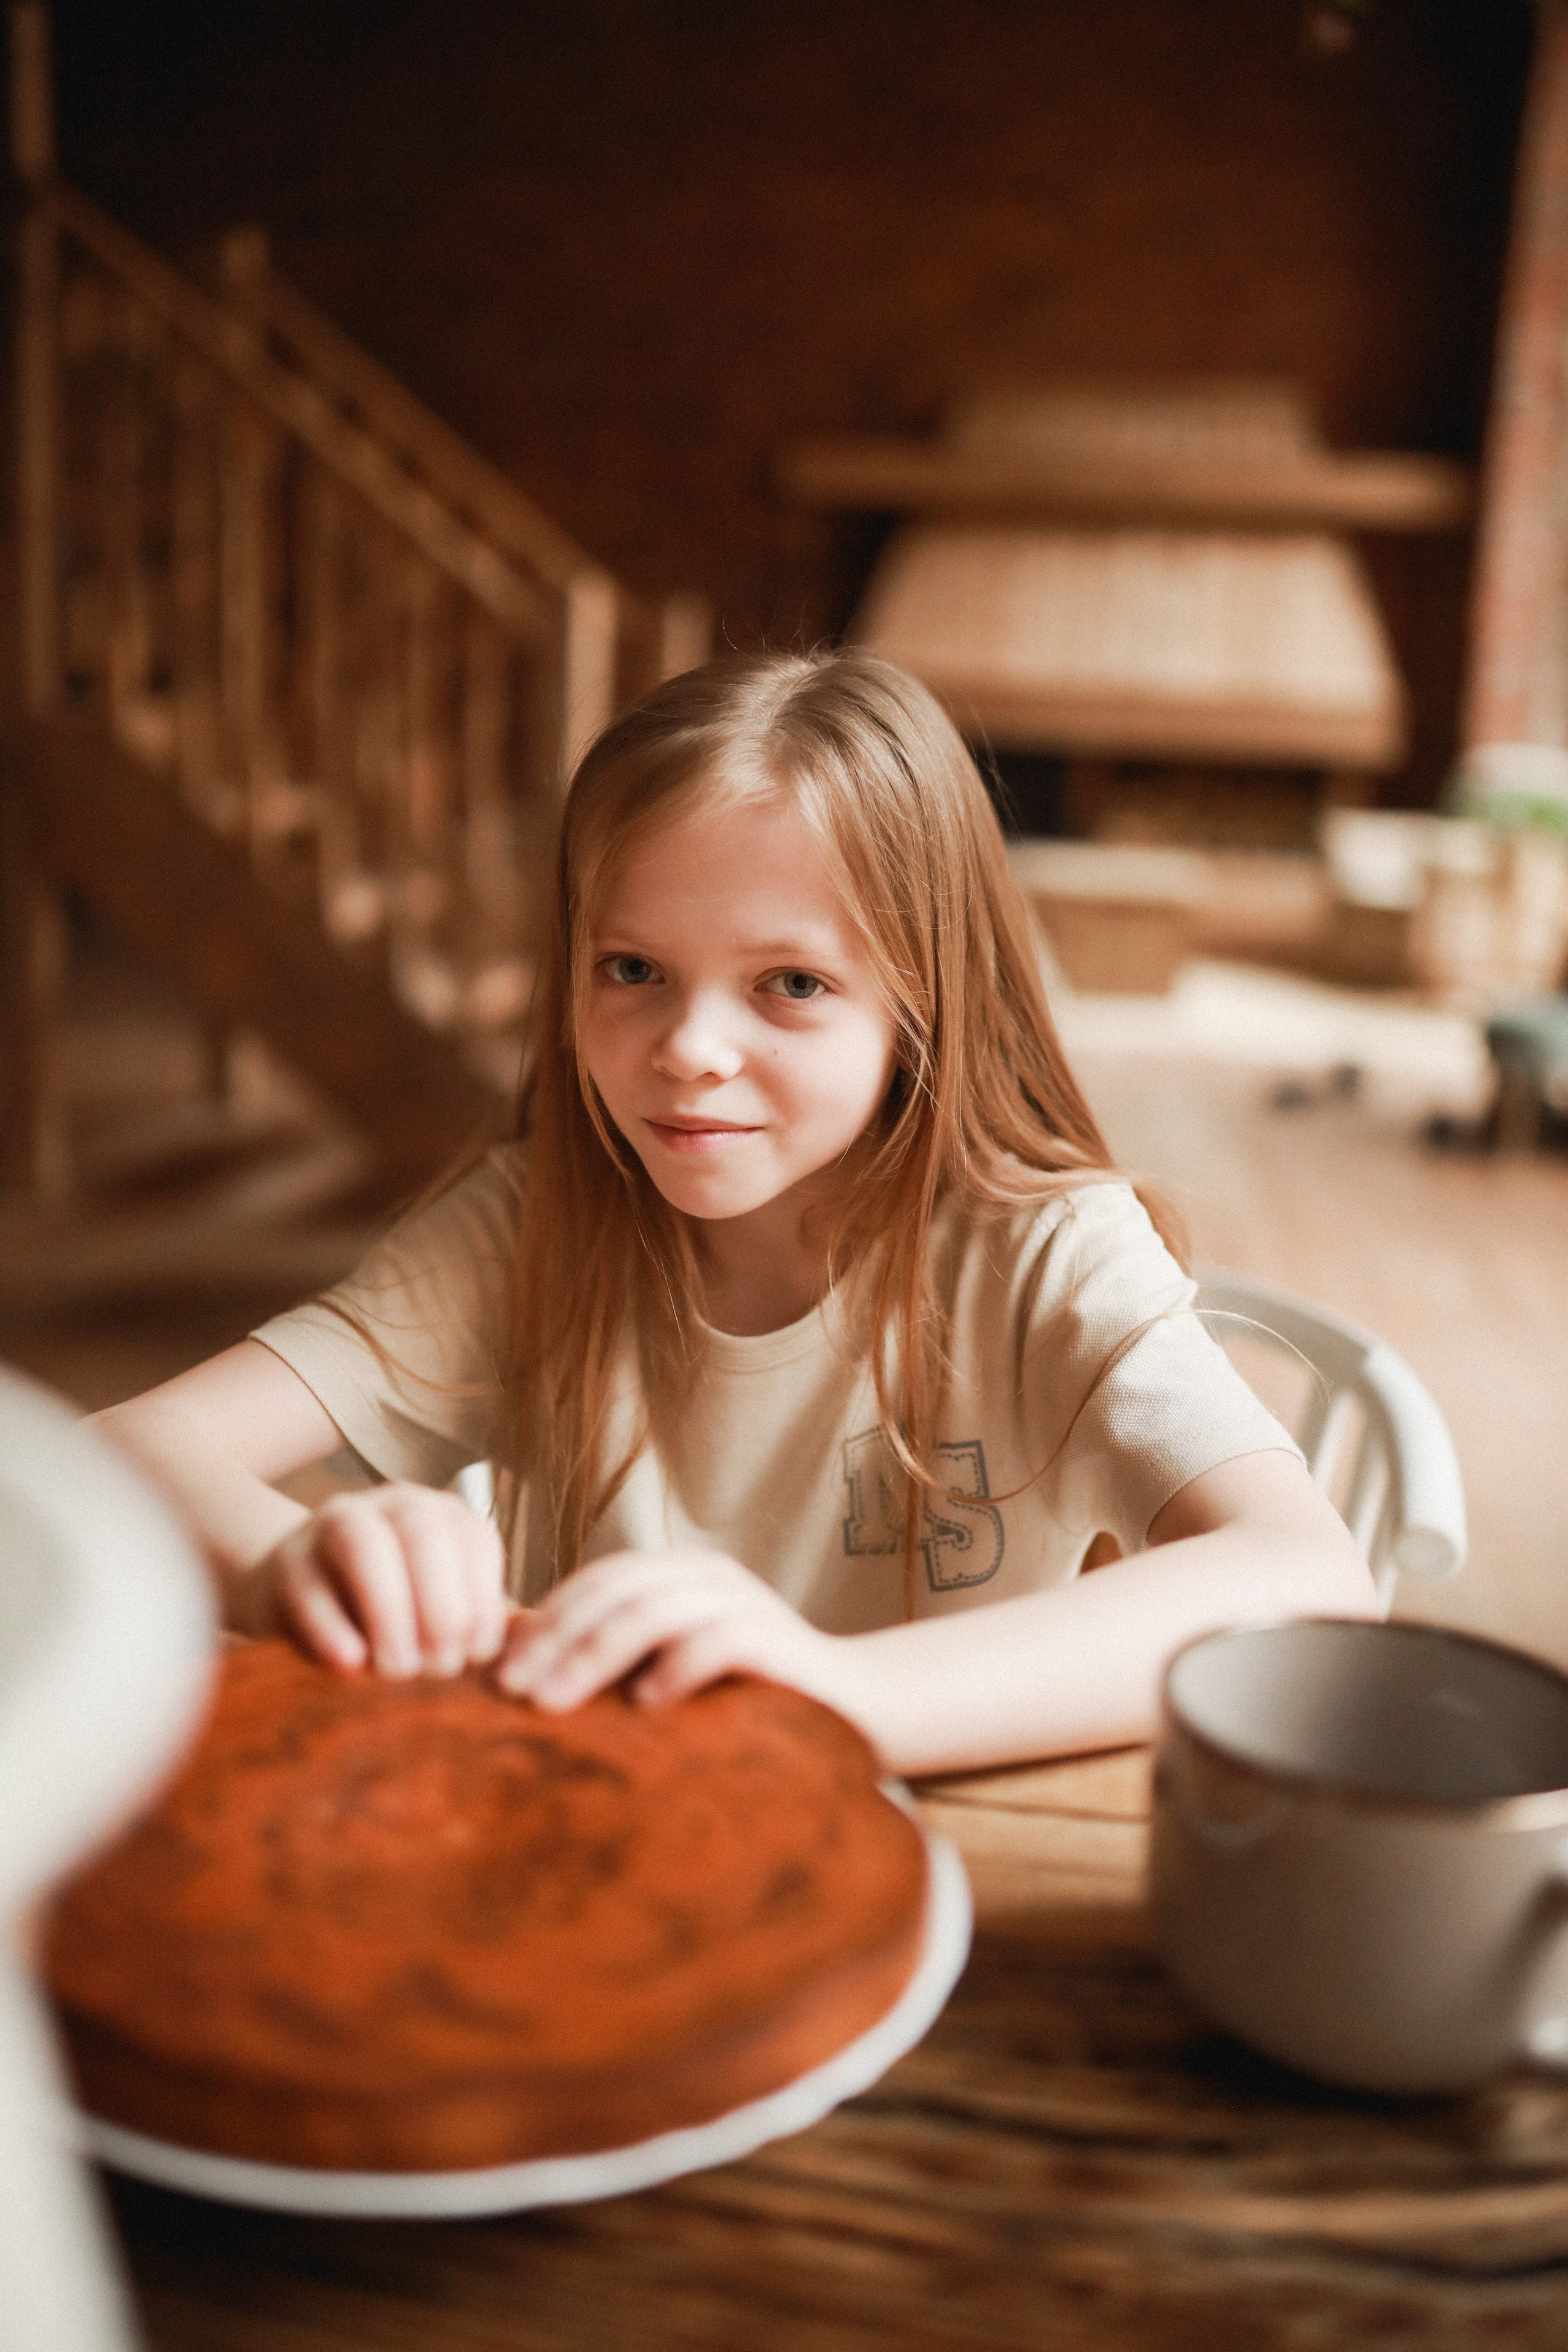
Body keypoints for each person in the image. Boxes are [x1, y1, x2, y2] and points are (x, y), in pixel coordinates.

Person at [94, 651, 1374, 1776]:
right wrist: (286, 1563)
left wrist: (832, 1689)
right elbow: (109, 1456)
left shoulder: (1040, 1254)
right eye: (633, 969)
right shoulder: (534, 1222)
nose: (689, 1048)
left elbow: (1309, 1586)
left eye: (791, 984)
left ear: (921, 1007)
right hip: (600, 1855)